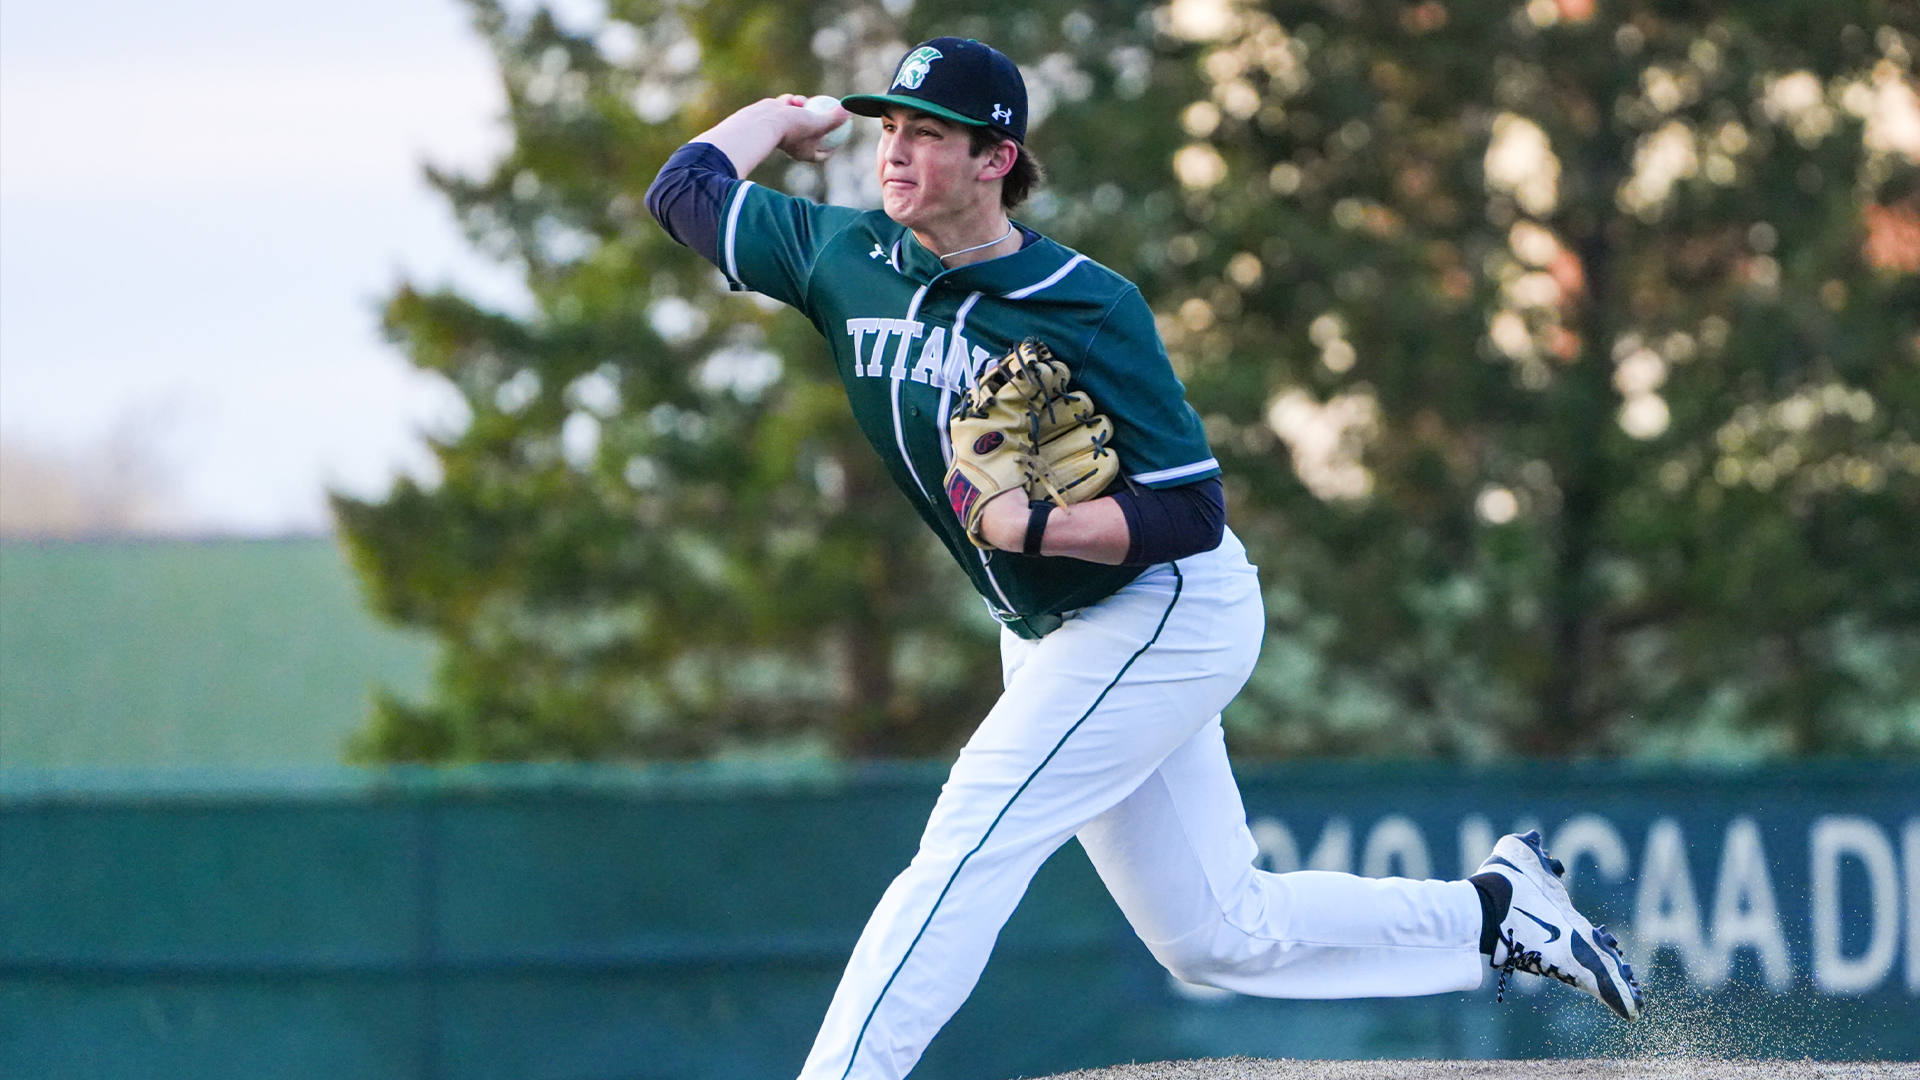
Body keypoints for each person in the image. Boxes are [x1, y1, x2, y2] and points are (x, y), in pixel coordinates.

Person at [647, 36, 1641, 1080]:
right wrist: (781, 116)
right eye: (888, 127)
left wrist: (1035, 525)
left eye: (926, 135)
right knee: (1216, 934)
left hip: (1163, 605)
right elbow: (685, 190)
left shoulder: (1087, 301)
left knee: (971, 840)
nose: (893, 153)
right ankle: (1494, 913)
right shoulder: (844, 258)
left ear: (996, 158)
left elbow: (1190, 511)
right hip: (1046, 628)